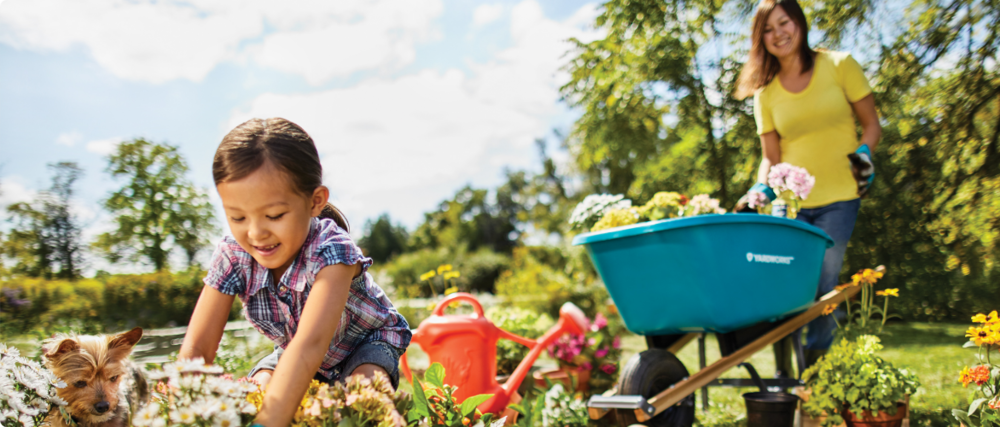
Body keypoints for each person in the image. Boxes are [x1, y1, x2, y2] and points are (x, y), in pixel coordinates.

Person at [178, 118, 411, 427]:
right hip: (293, 356)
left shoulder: (332, 249)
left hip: (364, 345)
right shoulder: (233, 256)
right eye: (237, 217)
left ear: (315, 202)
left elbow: (310, 344)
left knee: (363, 399)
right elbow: (197, 348)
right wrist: (184, 411)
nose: (256, 232)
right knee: (258, 390)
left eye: (274, 215)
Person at [733, 0, 881, 375]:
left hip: (839, 197)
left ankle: (815, 370)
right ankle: (786, 373)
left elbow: (872, 125)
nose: (778, 34)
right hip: (789, 203)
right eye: (768, 29)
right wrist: (760, 188)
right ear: (760, 39)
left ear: (799, 23)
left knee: (823, 284)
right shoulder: (765, 93)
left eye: (784, 23)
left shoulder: (839, 65)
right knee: (785, 286)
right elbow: (771, 155)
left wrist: (864, 154)